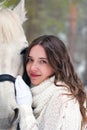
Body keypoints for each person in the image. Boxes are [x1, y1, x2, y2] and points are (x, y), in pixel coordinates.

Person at [15, 35, 87, 130]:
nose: (33, 67)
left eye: (43, 61)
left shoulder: (62, 99)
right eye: (30, 60)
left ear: (57, 64)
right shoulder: (36, 97)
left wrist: (25, 108)